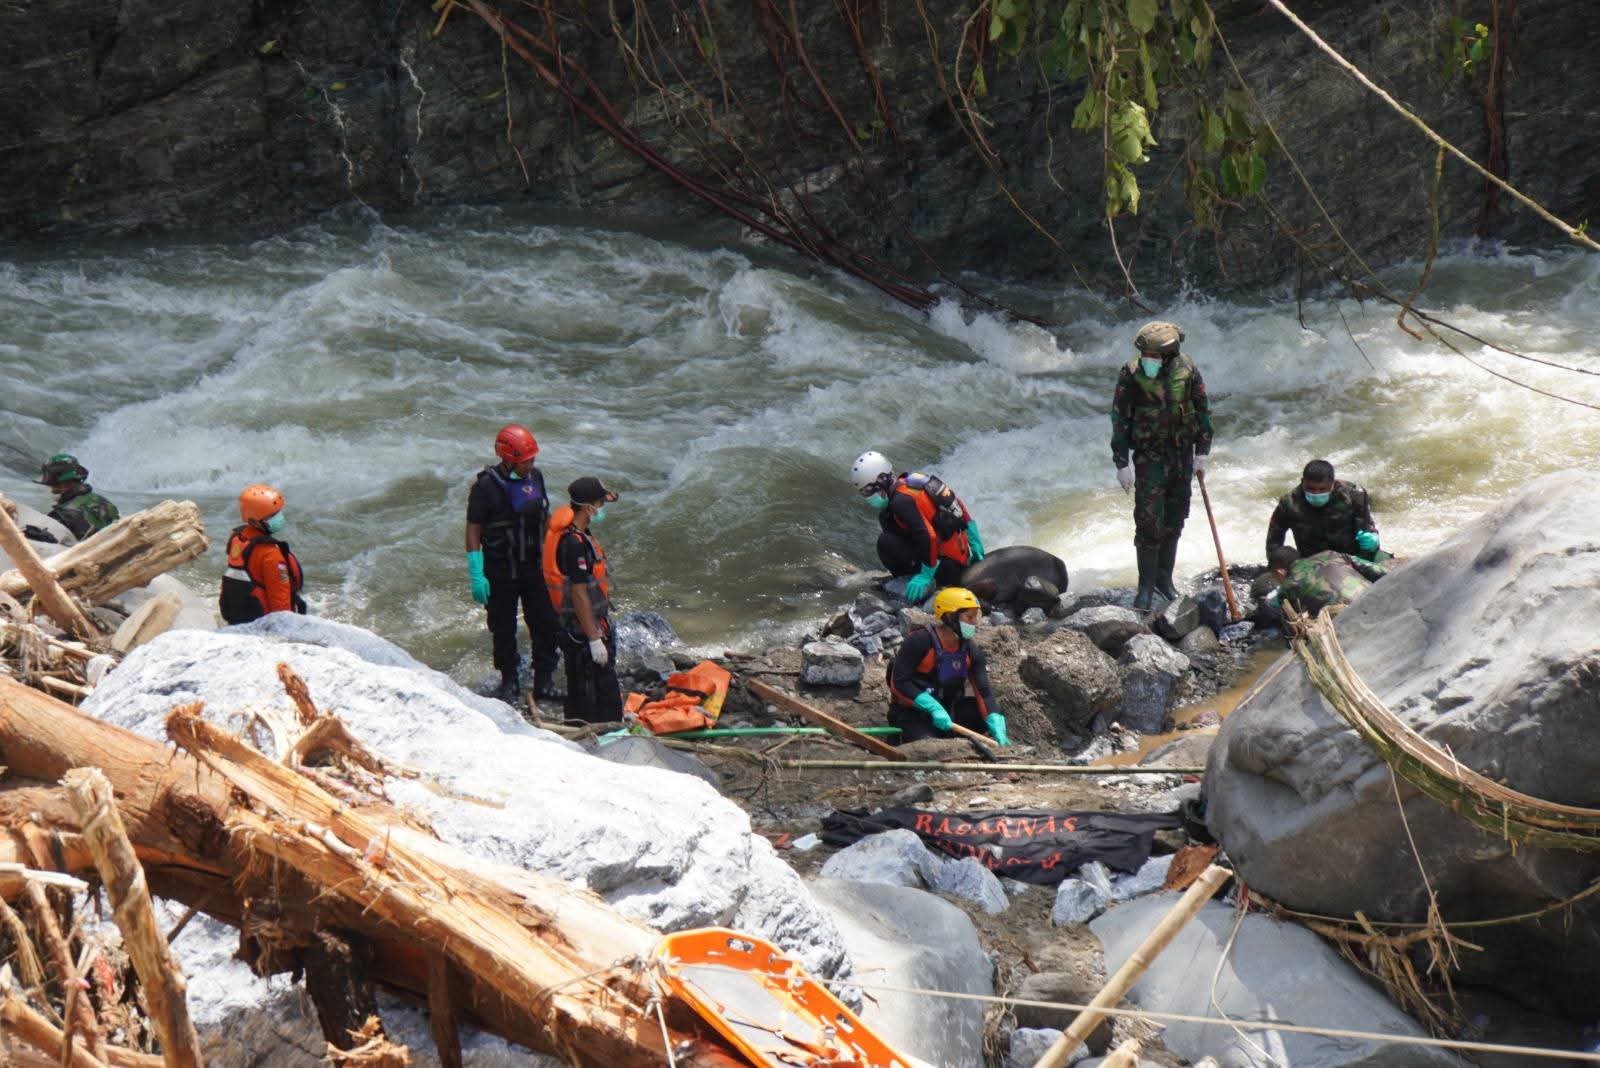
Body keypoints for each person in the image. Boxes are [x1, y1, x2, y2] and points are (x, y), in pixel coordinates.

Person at [1110, 321, 1214, 610]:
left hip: (1181, 455)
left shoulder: (1187, 369)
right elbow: (1119, 418)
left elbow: (1203, 410)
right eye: (1145, 354)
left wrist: (1202, 452)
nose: (1147, 359)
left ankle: (1164, 581)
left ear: (1168, 354)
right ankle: (1145, 587)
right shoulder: (1131, 373)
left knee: (1175, 518)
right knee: (1148, 521)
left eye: (1152, 355)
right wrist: (1121, 462)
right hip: (1149, 458)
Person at [465, 424, 560, 705]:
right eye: (524, 461)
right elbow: (473, 530)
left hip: (534, 566)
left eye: (532, 459)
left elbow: (545, 518)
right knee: (503, 628)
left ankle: (545, 681)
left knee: (546, 624)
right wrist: (476, 573)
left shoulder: (536, 477)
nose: (530, 465)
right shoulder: (485, 488)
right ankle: (509, 682)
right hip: (500, 569)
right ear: (507, 459)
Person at [850, 450, 986, 604]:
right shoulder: (918, 481)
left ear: (880, 482)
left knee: (885, 542)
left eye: (867, 490)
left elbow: (928, 536)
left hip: (947, 569)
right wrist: (975, 543)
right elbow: (958, 506)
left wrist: (926, 574)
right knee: (887, 516)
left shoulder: (900, 502)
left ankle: (917, 581)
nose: (867, 497)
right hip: (961, 557)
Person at [544, 476, 623, 724]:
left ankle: (581, 725)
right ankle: (605, 733)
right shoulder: (574, 545)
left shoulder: (579, 535)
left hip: (577, 628)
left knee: (580, 686)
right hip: (581, 632)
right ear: (589, 507)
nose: (602, 509)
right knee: (600, 690)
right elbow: (578, 593)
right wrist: (594, 639)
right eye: (600, 503)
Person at [886, 587, 1008, 746]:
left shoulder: (970, 650)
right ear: (950, 616)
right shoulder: (919, 641)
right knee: (930, 746)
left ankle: (956, 736)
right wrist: (932, 707)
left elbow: (984, 693)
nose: (975, 622)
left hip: (950, 710)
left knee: (994, 711)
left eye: (975, 616)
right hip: (914, 712)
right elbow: (899, 683)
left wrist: (994, 719)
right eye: (969, 617)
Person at [219, 484, 307, 623]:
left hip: (238, 617)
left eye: (278, 512)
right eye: (272, 516)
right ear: (255, 521)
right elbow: (280, 599)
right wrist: (285, 627)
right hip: (262, 624)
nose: (279, 518)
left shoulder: (237, 539)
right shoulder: (270, 554)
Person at [1266, 459, 1382, 561]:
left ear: (1332, 484)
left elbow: (1367, 530)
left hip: (1352, 559)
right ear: (1302, 482)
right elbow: (1274, 541)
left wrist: (1371, 545)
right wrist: (1277, 567)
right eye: (1310, 488)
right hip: (1312, 564)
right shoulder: (1290, 503)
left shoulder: (1353, 496)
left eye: (1322, 489)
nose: (1316, 493)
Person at [1265, 545, 1390, 618]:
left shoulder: (1287, 587)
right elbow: (1379, 572)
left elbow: (1295, 628)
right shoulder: (1331, 554)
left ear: (1279, 572)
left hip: (1349, 619)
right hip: (1375, 600)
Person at [30, 453, 119, 542]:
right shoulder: (103, 501)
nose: (51, 489)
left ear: (65, 482)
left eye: (52, 484)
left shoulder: (63, 515)